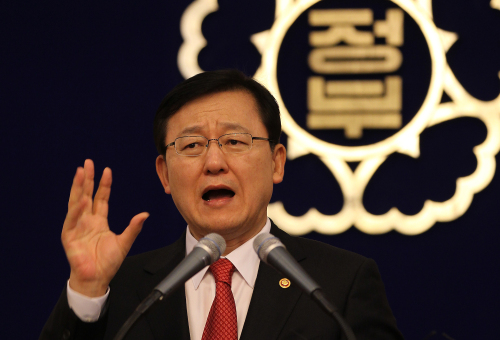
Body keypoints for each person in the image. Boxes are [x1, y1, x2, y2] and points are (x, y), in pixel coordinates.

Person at [40, 70, 404, 340]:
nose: (214, 162)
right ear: (164, 174)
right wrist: (86, 291)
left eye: (234, 141)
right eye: (192, 145)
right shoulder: (123, 289)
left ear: (276, 162)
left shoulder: (338, 284)